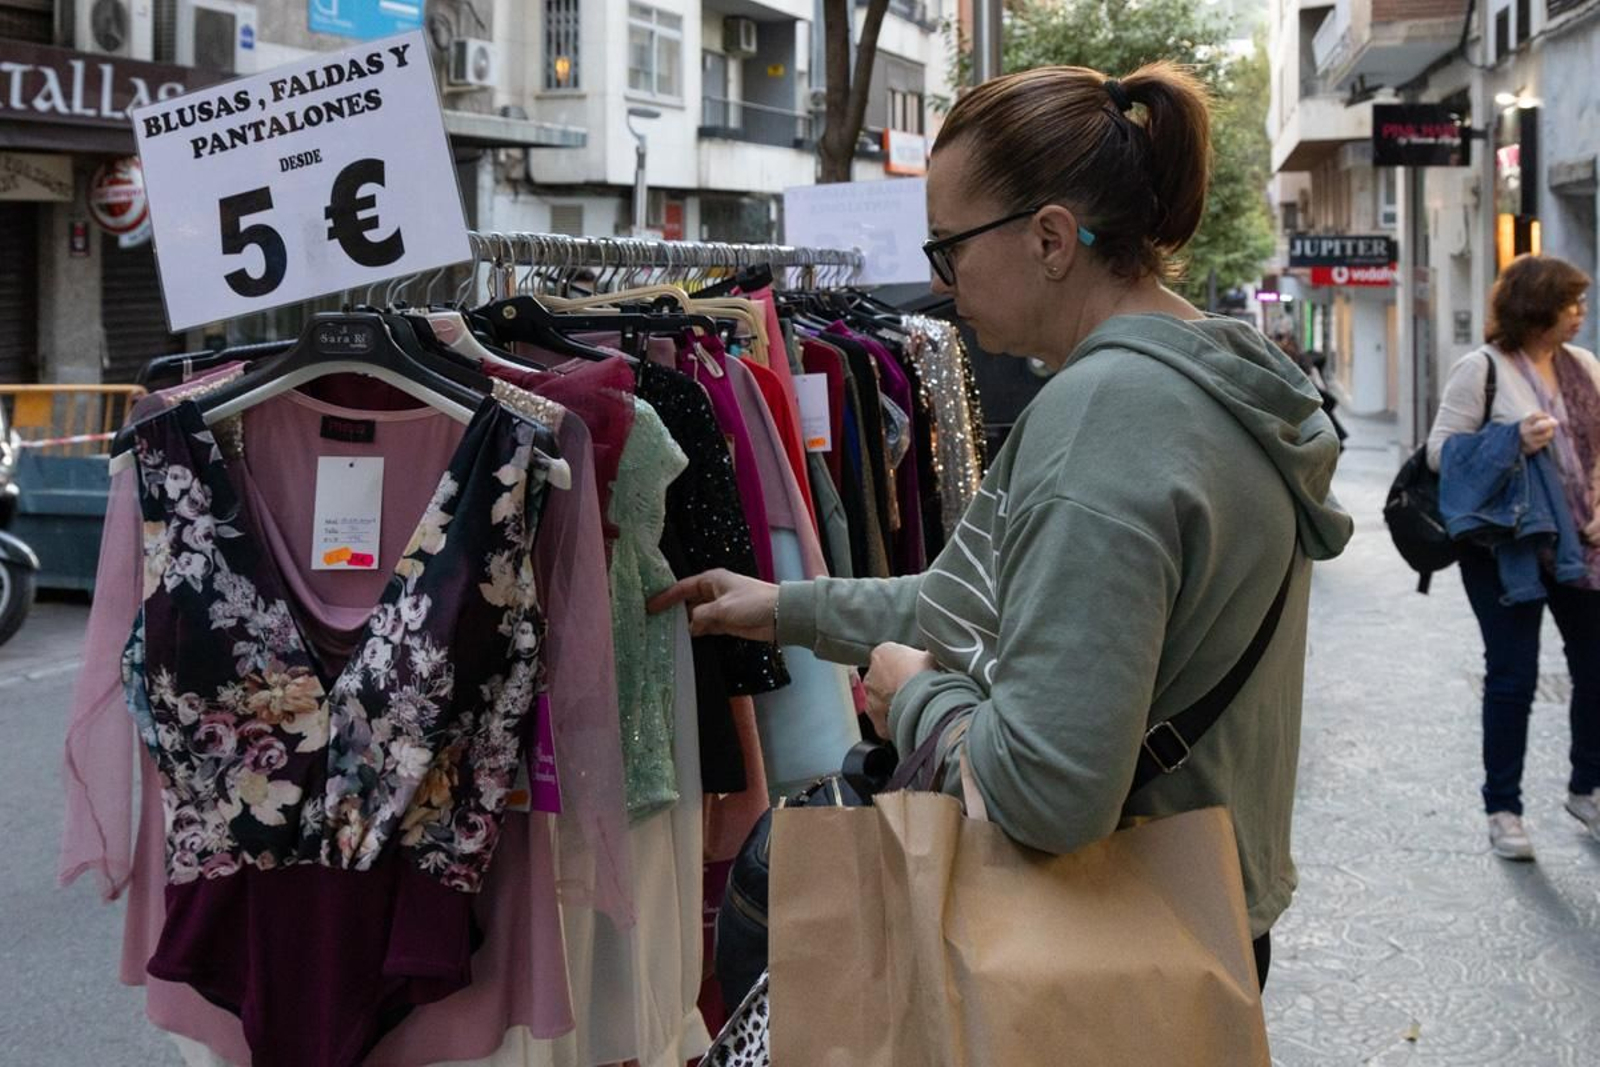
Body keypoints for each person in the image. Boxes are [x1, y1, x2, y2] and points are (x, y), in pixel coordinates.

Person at [650, 62, 1350, 988]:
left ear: (1052, 239)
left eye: (950, 249)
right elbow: (983, 599)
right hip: (1196, 914)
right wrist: (784, 606)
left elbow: (1048, 794)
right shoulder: (1210, 376)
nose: (940, 286)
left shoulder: (1103, 418)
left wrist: (912, 700)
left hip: (1102, 954)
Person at [1426, 253, 1600, 861]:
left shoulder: (1585, 368)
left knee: (1595, 669)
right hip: (1507, 547)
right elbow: (1440, 453)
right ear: (1536, 309)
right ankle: (1504, 809)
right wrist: (1511, 440)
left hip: (1583, 545)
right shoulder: (1483, 371)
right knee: (1513, 676)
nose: (1580, 313)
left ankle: (1588, 788)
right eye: (1570, 303)